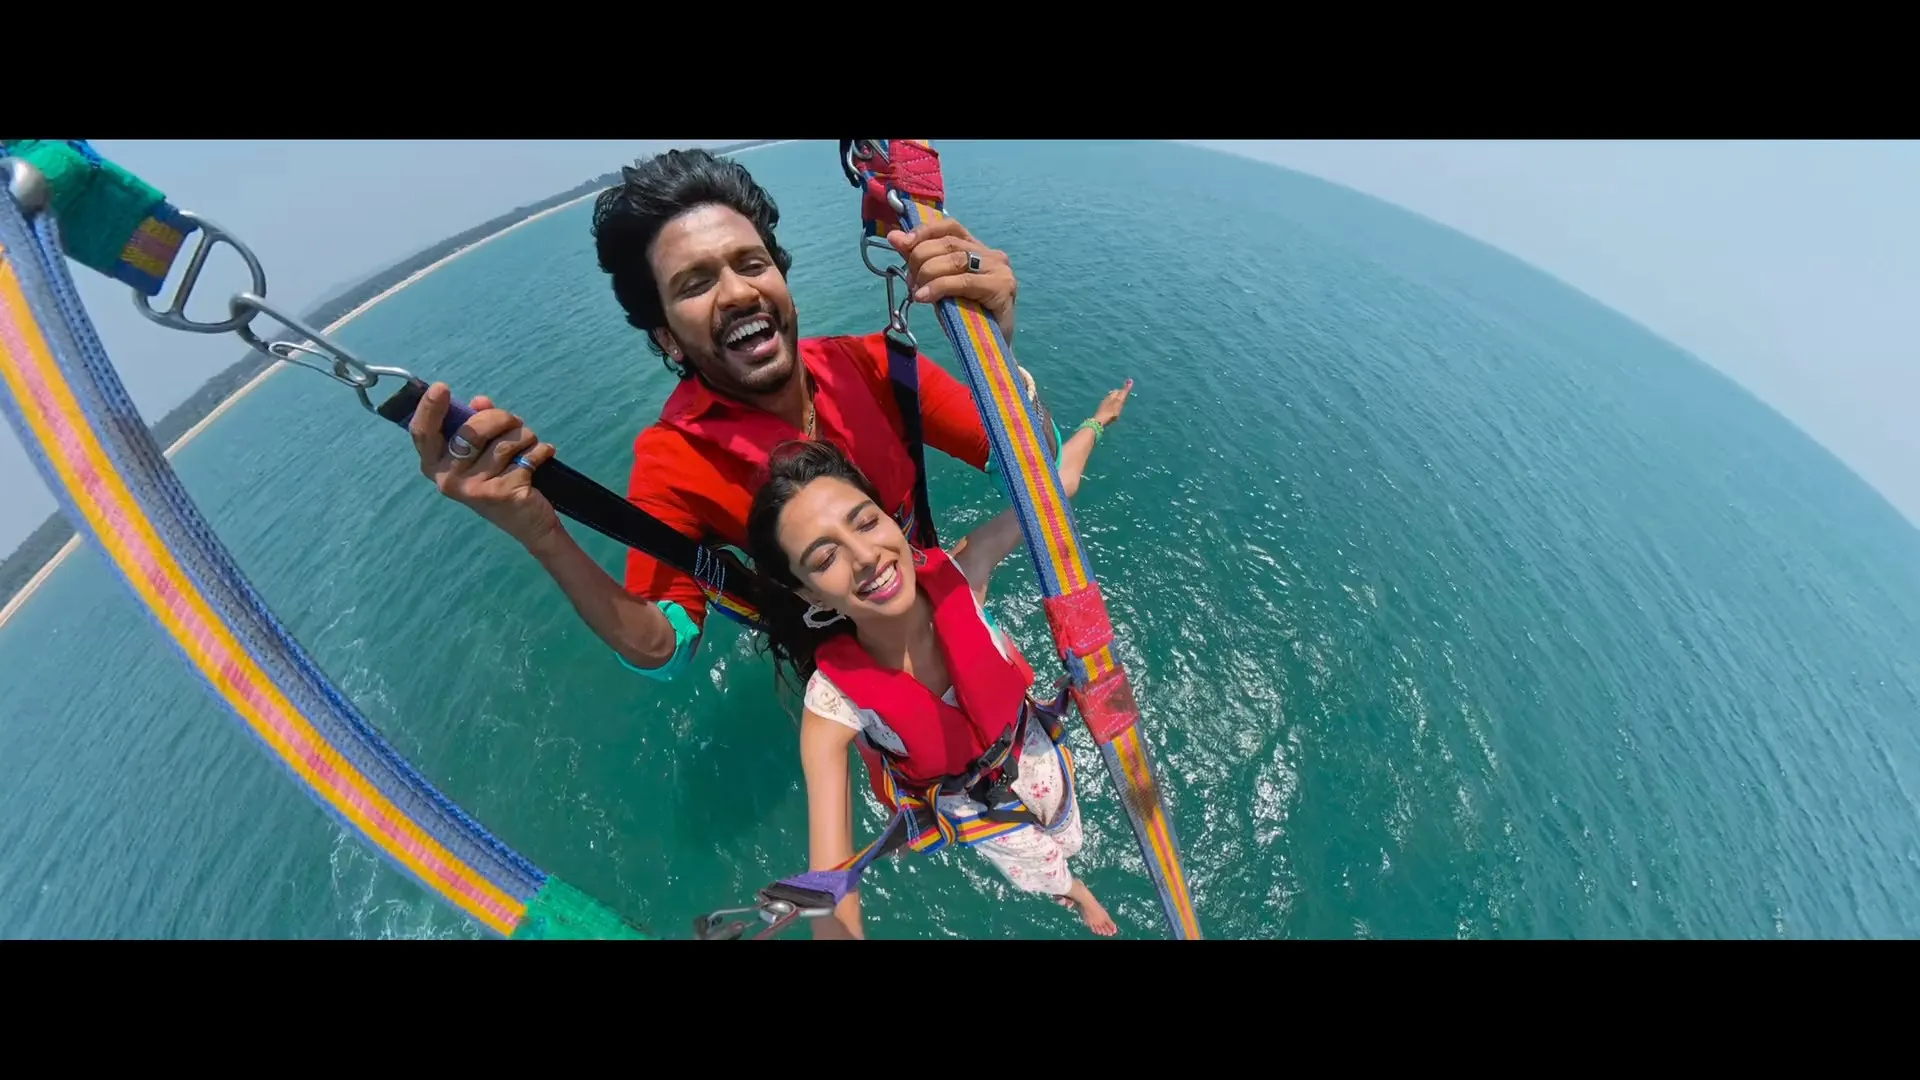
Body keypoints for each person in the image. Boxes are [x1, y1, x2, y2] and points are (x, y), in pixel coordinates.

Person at [407, 147, 1061, 681]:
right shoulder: (674, 461)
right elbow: (666, 650)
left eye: (752, 264)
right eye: (695, 284)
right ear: (667, 337)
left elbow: (1034, 466)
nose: (739, 292)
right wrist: (542, 535)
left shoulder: (874, 366)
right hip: (834, 658)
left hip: (924, 593)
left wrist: (997, 346)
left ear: (782, 282)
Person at [744, 381, 1135, 939]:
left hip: (1031, 749)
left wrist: (1098, 420)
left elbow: (1057, 487)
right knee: (1041, 869)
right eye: (825, 558)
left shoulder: (964, 574)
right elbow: (830, 884)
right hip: (968, 805)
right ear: (809, 594)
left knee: (1069, 833)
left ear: (890, 519)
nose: (866, 556)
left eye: (866, 522)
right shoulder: (832, 705)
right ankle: (1073, 892)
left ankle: (1068, 872)